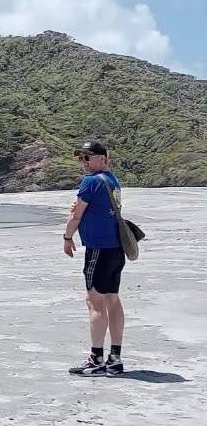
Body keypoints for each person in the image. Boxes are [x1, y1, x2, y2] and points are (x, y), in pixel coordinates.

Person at [63, 140, 125, 377]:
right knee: (112, 299)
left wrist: (67, 238)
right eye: (81, 158)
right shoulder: (111, 180)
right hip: (116, 248)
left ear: (103, 159)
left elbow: (77, 216)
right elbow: (96, 208)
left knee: (95, 302)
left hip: (98, 249)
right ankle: (115, 359)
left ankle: (96, 358)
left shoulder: (90, 181)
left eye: (88, 158)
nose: (84, 163)